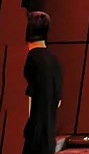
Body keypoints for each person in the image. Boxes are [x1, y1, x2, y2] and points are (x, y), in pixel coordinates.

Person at [22, 12, 62, 154]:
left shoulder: (31, 59)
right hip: (48, 136)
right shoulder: (55, 61)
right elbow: (57, 102)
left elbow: (29, 99)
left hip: (34, 135)